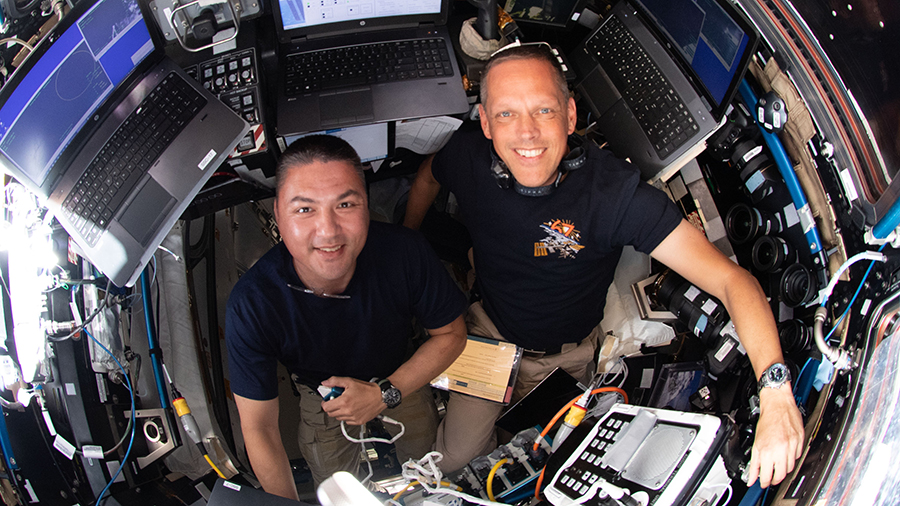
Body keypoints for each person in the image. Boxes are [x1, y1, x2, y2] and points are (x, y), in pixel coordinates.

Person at [403, 43, 804, 489]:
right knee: (459, 463)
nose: (528, 134)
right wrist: (409, 239)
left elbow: (732, 282)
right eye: (506, 115)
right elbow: (427, 177)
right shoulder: (467, 155)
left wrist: (777, 394)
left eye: (543, 110)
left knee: (542, 468)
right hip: (489, 332)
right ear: (485, 124)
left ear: (570, 116)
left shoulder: (615, 196)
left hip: (568, 357)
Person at [225, 135, 467, 499]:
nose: (328, 231)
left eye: (345, 204)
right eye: (304, 209)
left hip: (400, 376)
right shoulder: (253, 303)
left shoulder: (404, 253)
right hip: (321, 395)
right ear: (277, 214)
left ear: (366, 204)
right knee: (333, 484)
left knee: (427, 465)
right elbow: (259, 427)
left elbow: (451, 334)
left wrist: (384, 393)